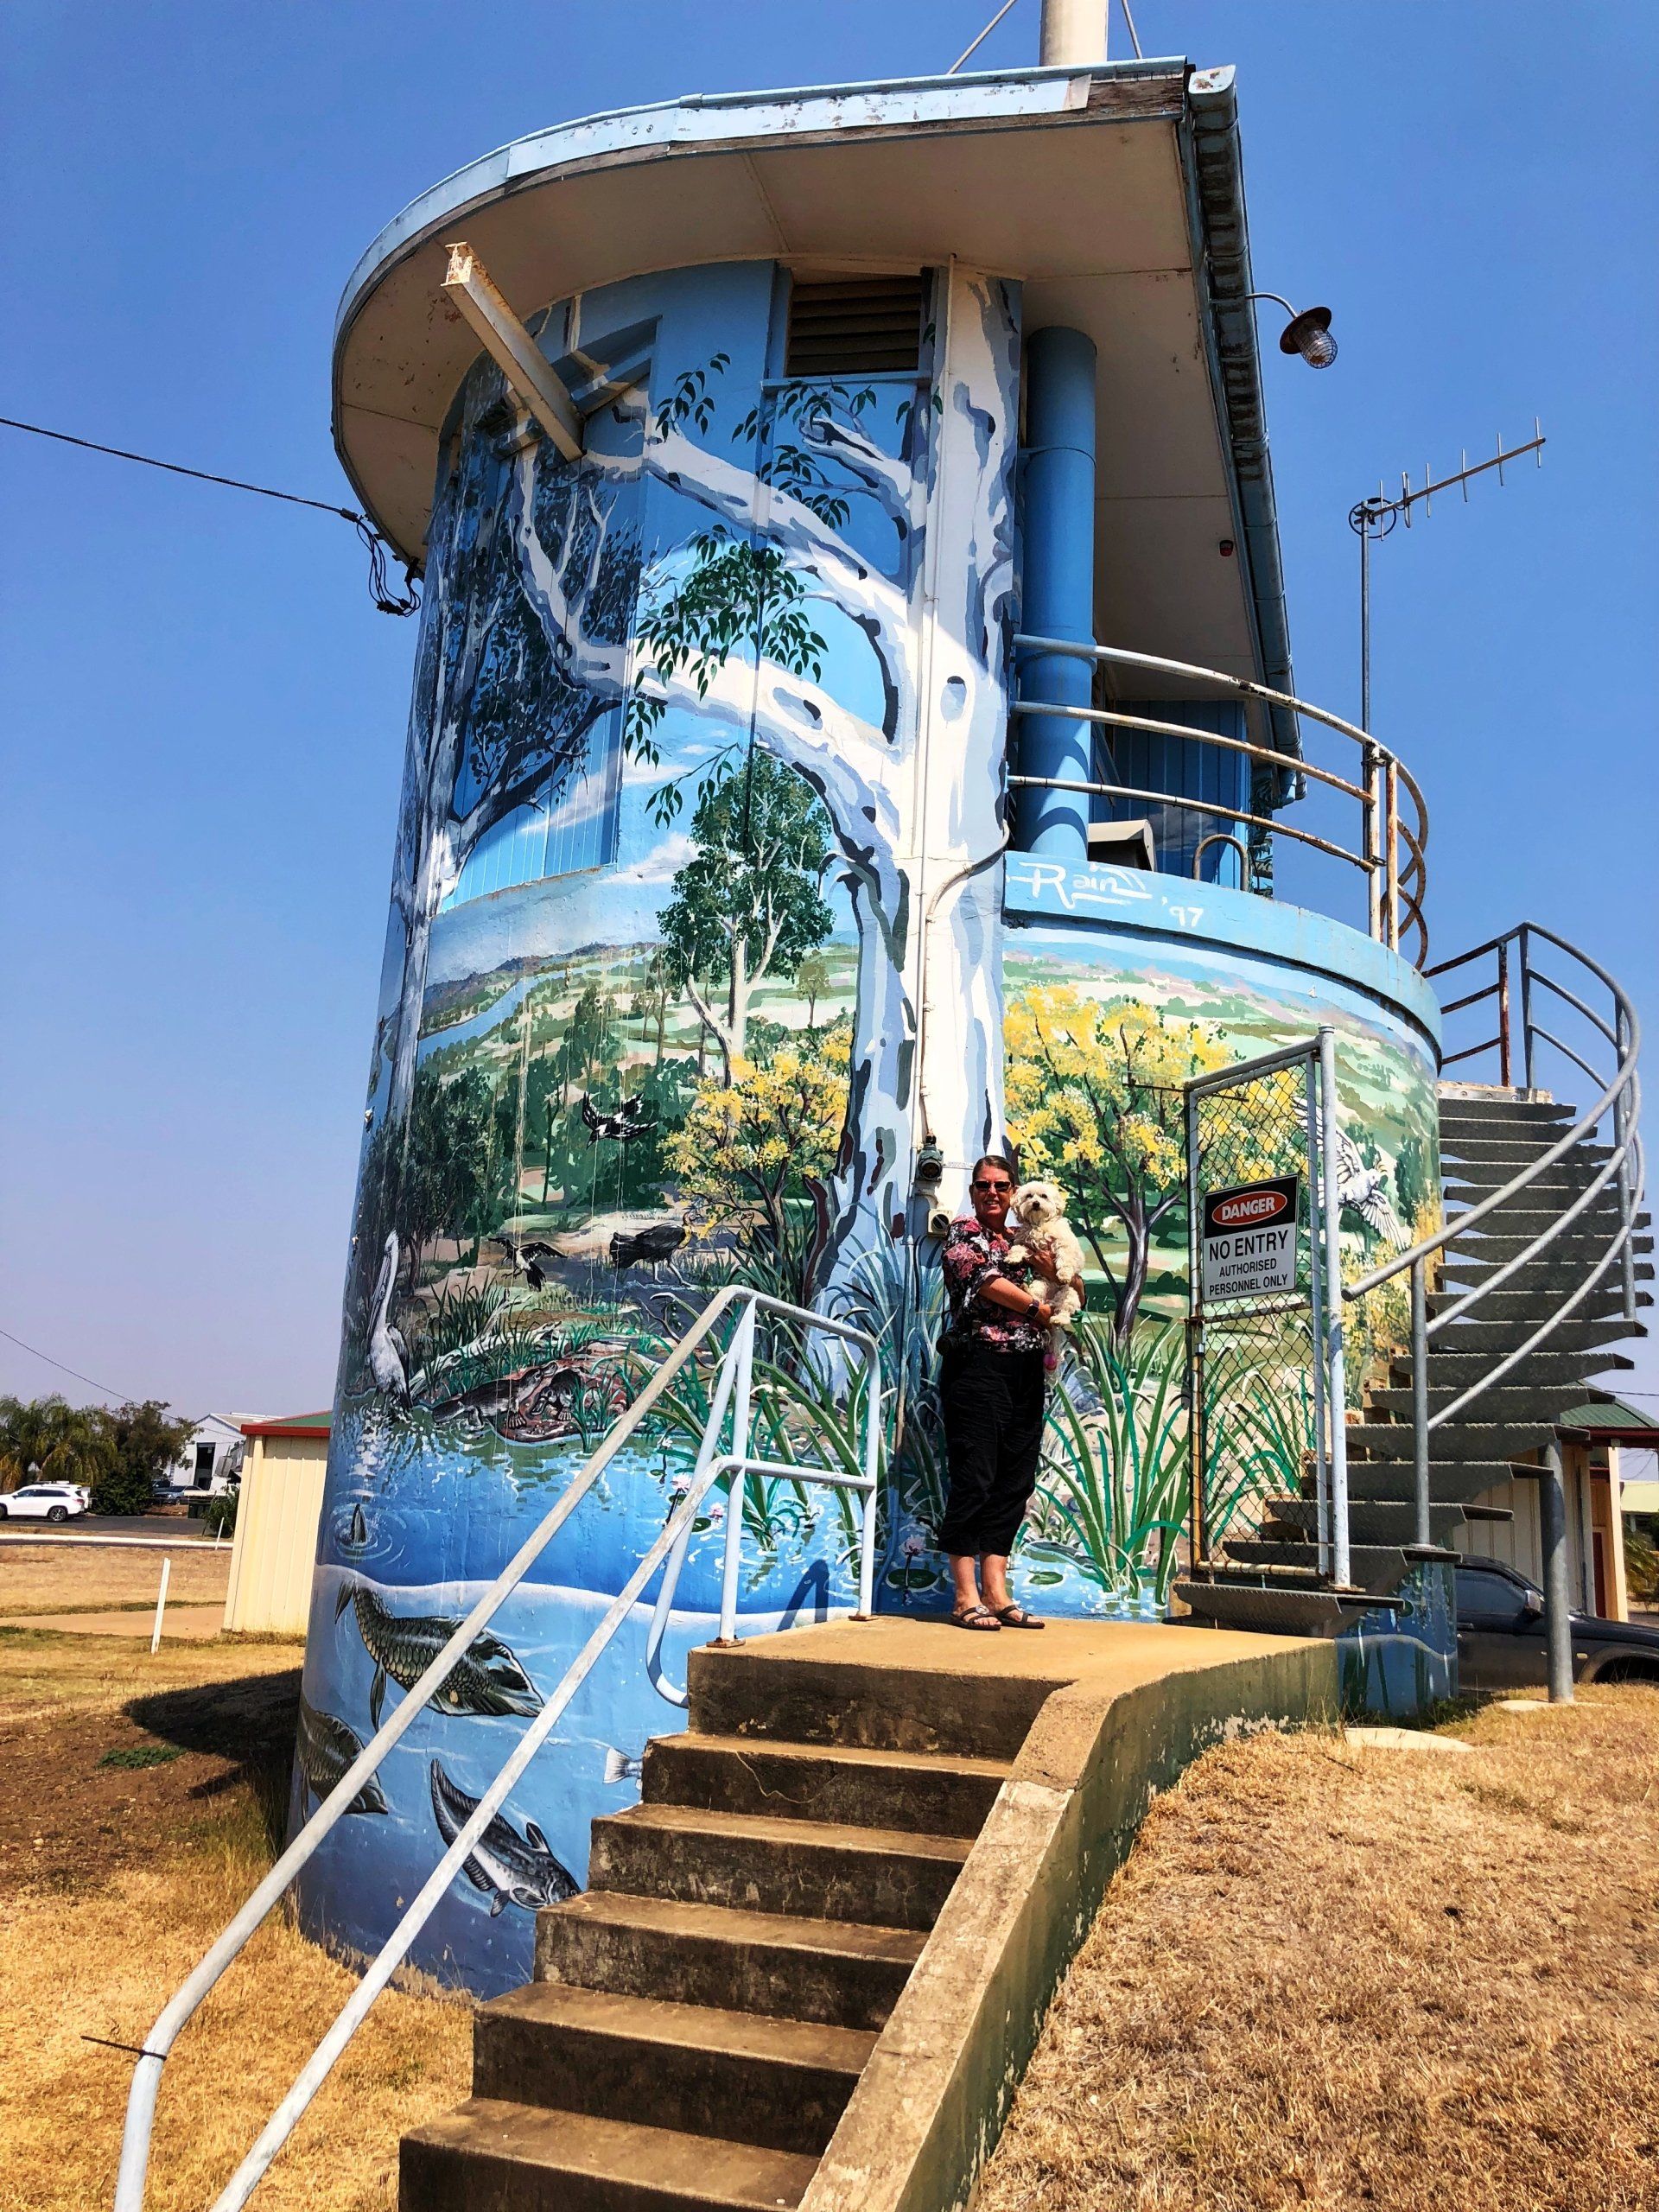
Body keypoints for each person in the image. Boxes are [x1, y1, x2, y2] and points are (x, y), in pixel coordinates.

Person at [935, 1154, 1082, 1631]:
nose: (993, 1193)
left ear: (1015, 1192)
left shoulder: (1026, 1237)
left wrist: (1056, 1273)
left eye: (1001, 1185)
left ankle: (997, 1591)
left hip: (1026, 1369)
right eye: (984, 1186)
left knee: (1015, 1479)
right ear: (974, 1192)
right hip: (978, 1366)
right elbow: (987, 1283)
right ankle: (964, 1595)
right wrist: (1041, 1312)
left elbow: (1074, 1280)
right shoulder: (964, 1235)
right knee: (974, 1474)